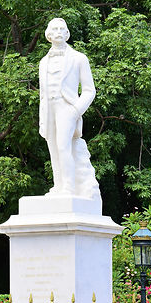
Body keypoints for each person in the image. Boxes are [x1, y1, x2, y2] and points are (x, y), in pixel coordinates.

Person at [39, 18, 100, 199]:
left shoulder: (79, 58)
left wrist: (76, 110)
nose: (58, 32)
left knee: (63, 145)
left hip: (67, 107)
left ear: (67, 34)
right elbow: (43, 92)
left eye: (62, 29)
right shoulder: (43, 62)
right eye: (54, 29)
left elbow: (89, 90)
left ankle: (69, 188)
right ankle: (58, 185)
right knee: (53, 147)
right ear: (48, 35)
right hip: (49, 108)